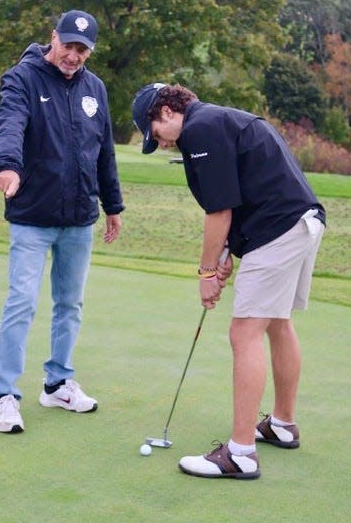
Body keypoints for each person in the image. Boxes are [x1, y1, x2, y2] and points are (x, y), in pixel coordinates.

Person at [132, 83, 325, 479]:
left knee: (245, 332)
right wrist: (225, 254)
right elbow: (238, 196)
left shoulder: (201, 129)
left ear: (166, 111)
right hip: (300, 222)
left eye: (154, 132)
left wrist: (205, 272)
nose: (159, 142)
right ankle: (283, 425)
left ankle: (240, 453)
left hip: (278, 228)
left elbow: (218, 210)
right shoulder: (217, 120)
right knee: (277, 322)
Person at [0, 9, 124, 434]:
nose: (73, 55)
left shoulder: (95, 88)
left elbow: (103, 152)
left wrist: (113, 205)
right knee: (22, 303)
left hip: (79, 216)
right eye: (68, 45)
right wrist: (8, 165)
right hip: (32, 214)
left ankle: (58, 382)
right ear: (53, 38)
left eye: (82, 49)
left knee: (70, 304)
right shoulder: (22, 78)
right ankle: (5, 395)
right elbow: (9, 124)